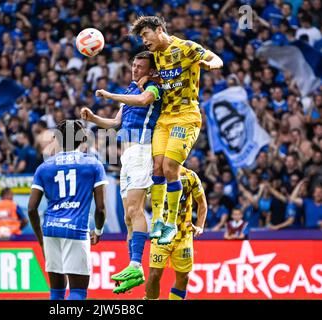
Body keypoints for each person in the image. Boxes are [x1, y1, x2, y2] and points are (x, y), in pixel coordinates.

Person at [131, 16, 223, 244]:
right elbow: (153, 77)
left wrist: (210, 64)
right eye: (141, 37)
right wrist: (146, 78)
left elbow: (216, 58)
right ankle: (159, 220)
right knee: (158, 168)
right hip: (164, 118)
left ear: (159, 29)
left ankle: (171, 224)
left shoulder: (187, 47)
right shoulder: (155, 56)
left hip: (186, 116)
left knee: (172, 167)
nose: (144, 41)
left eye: (146, 35)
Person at [81, 51, 162, 294]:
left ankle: (137, 264)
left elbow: (143, 101)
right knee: (128, 217)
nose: (135, 70)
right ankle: (132, 268)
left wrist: (107, 94)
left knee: (135, 210)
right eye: (134, 66)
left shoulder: (155, 88)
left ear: (151, 71)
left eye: (140, 67)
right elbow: (116, 123)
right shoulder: (129, 90)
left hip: (142, 150)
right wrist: (93, 117)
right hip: (127, 156)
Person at [28, 120, 107, 300]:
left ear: (57, 139)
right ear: (84, 138)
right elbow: (100, 208)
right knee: (78, 292)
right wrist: (99, 231)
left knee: (56, 292)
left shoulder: (44, 167)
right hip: (76, 230)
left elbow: (32, 208)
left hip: (50, 230)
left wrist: (41, 239)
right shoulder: (93, 164)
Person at [145, 167, 207, 300]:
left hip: (183, 236)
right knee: (154, 275)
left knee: (183, 278)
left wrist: (200, 226)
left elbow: (202, 203)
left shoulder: (190, 176)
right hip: (160, 234)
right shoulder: (155, 175)